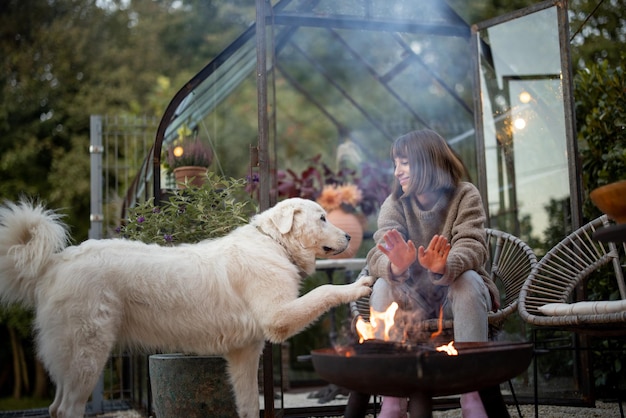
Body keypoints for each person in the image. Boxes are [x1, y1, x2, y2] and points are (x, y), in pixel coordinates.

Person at [366, 129, 500, 418]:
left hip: (457, 301)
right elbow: (375, 254)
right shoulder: (394, 204)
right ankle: (391, 401)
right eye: (395, 163)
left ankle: (472, 396)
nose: (397, 171)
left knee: (467, 280)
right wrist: (395, 265)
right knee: (381, 287)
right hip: (413, 304)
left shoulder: (465, 195)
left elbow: (474, 245)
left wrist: (445, 266)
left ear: (427, 162)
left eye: (404, 162)